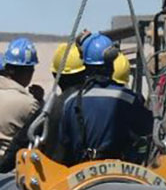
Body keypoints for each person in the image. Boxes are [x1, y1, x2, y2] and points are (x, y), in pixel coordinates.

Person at [40, 33, 152, 165]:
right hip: (121, 174)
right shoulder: (128, 99)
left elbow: (64, 144)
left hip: (80, 175)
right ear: (111, 65)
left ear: (86, 66)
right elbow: (148, 131)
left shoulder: (71, 102)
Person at [0, 38, 42, 172]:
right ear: (28, 72)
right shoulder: (28, 103)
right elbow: (38, 140)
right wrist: (41, 103)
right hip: (20, 174)